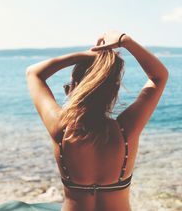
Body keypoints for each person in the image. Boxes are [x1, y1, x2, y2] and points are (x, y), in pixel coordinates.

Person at [24, 31, 168, 211]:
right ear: (114, 91)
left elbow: (33, 73)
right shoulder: (126, 130)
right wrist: (125, 41)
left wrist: (88, 54)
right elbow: (159, 76)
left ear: (73, 88)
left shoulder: (61, 128)